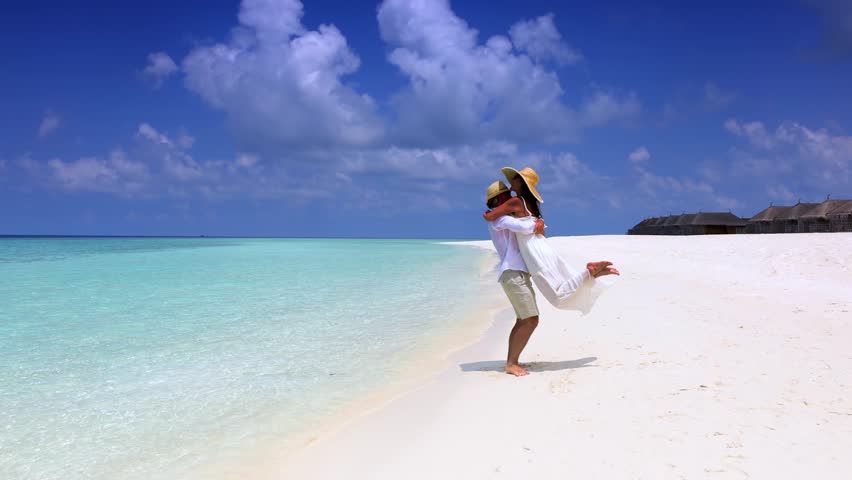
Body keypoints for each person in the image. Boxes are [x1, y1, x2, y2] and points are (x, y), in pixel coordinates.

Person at [484, 167, 619, 312]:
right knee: (561, 279)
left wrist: (487, 213)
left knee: (557, 297)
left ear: (521, 183)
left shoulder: (516, 202)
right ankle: (590, 273)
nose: (511, 184)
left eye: (515, 179)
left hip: (533, 250)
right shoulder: (531, 204)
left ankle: (590, 272)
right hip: (542, 245)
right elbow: (538, 226)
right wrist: (539, 222)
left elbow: (490, 217)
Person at [484, 180, 546, 377]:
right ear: (499, 200)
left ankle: (513, 361)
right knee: (530, 319)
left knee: (524, 319)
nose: (510, 199)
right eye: (505, 196)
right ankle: (511, 364)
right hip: (512, 272)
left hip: (516, 272)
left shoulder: (504, 218)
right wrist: (538, 223)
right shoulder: (499, 220)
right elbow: (527, 228)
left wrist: (538, 222)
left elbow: (529, 225)